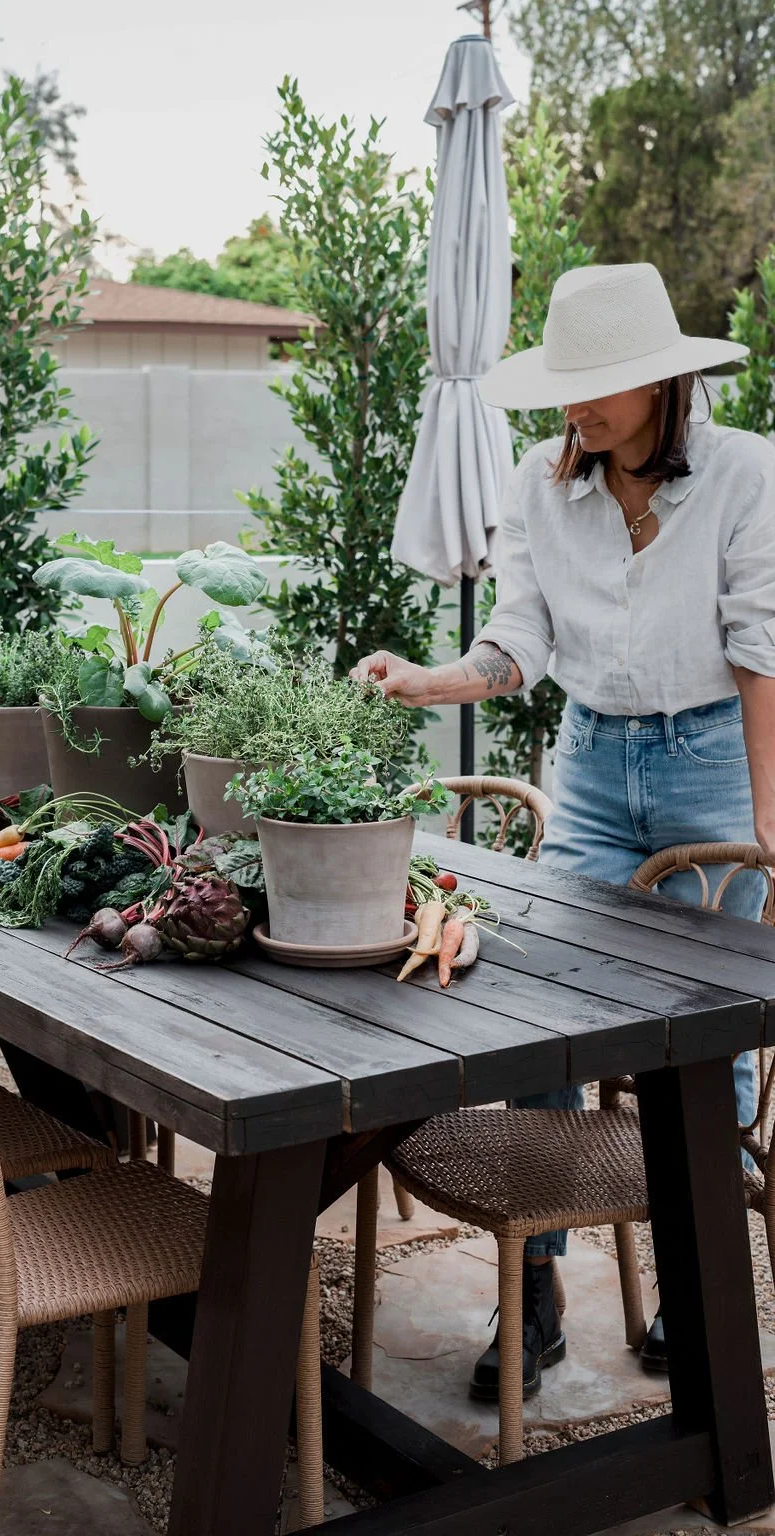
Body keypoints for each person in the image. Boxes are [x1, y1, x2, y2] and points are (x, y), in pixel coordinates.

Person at [352, 261, 775, 1400]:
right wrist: (424, 684)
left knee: (712, 1036)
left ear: (661, 387)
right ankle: (533, 1287)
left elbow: (759, 646)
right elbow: (516, 643)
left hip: (711, 764)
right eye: (565, 393)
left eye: (596, 391)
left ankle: (701, 1296)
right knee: (538, 1014)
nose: (572, 413)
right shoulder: (542, 483)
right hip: (588, 763)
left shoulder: (744, 475)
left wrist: (769, 813)